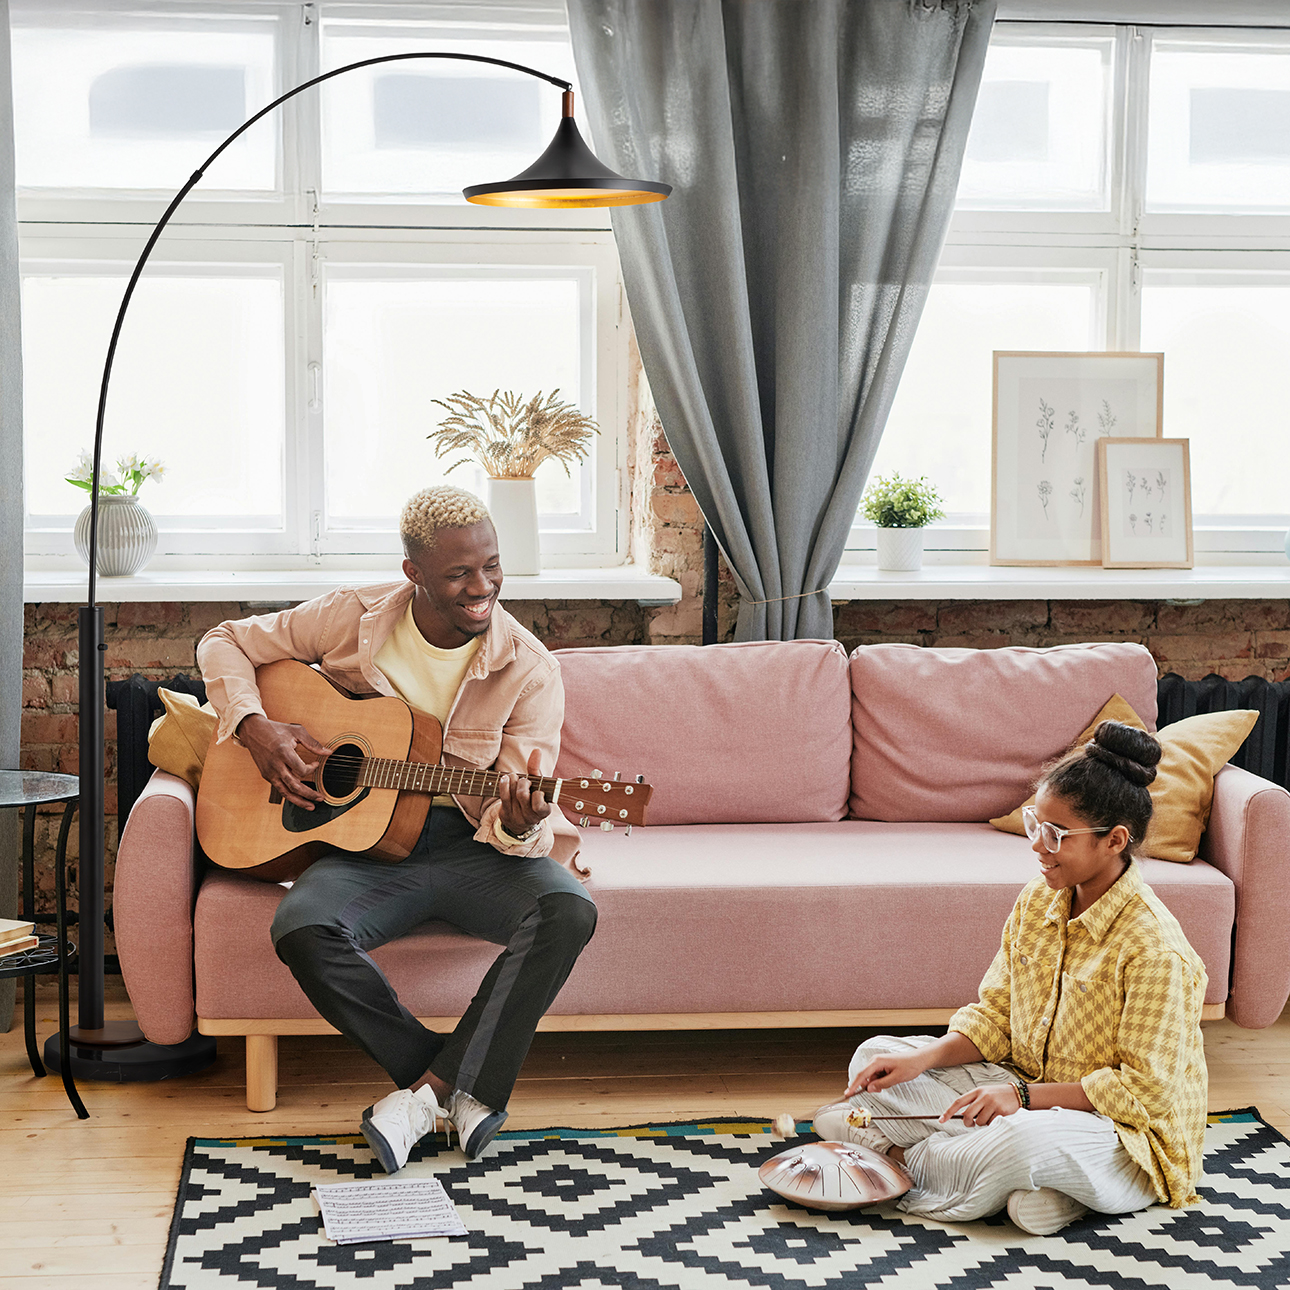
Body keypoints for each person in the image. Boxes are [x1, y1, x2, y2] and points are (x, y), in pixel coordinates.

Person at [198, 485, 596, 1171]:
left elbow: (516, 817)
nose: (483, 588)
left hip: (476, 851)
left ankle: (424, 1096)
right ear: (414, 572)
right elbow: (224, 639)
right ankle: (453, 1087)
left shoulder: (529, 669)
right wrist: (254, 726)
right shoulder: (355, 617)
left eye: (492, 566)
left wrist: (521, 818)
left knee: (570, 909)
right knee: (301, 927)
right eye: (459, 574)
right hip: (369, 850)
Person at [813, 721, 1208, 1235]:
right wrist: (921, 1060)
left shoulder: (1155, 949)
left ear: (1115, 841)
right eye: (1034, 824)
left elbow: (1144, 1093)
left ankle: (901, 1153)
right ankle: (1025, 1187)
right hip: (1024, 1089)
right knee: (873, 1057)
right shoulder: (1037, 901)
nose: (1038, 846)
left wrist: (1022, 1102)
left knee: (1018, 1141)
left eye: (1057, 835)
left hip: (1122, 1132)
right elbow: (996, 1016)